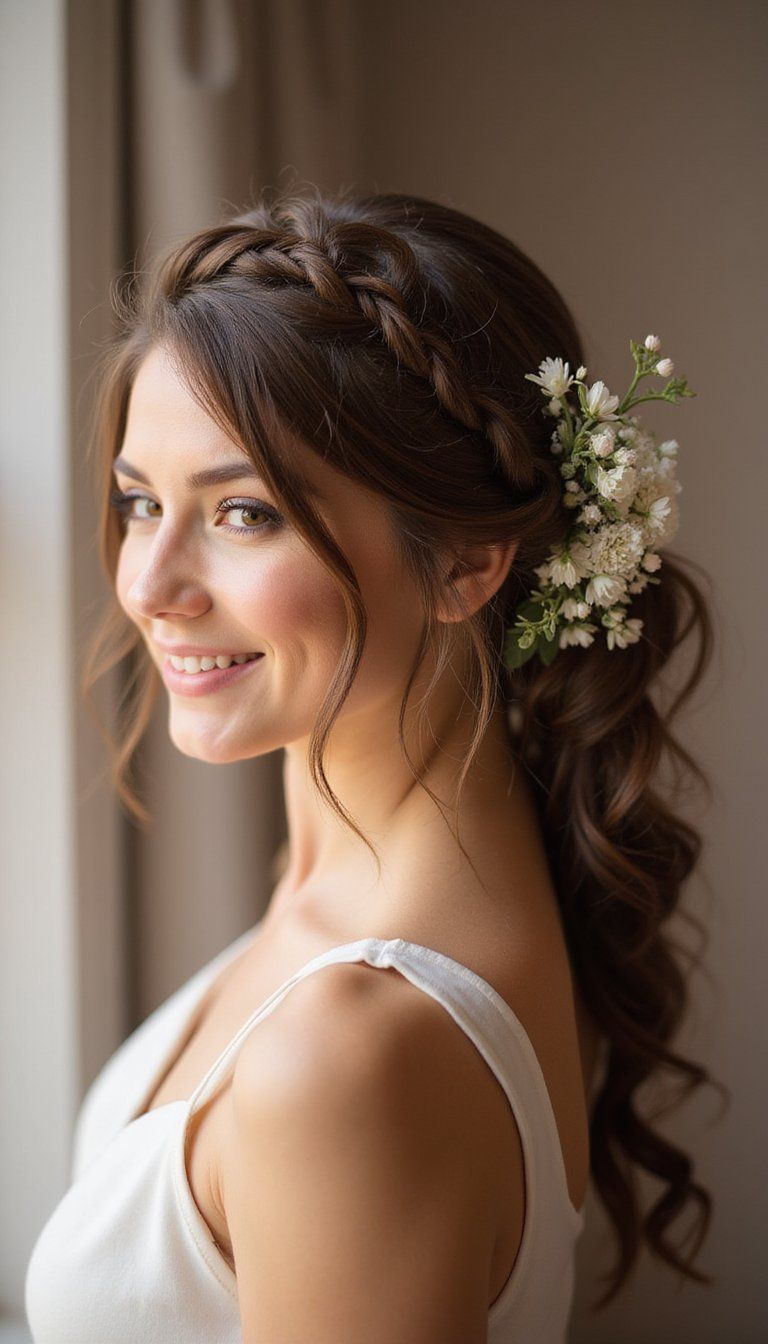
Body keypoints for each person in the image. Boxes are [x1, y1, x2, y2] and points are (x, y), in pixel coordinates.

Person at [25, 186, 720, 1343]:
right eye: (140, 501)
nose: (148, 585)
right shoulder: (377, 866)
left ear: (468, 563)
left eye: (244, 514)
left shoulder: (351, 1052)